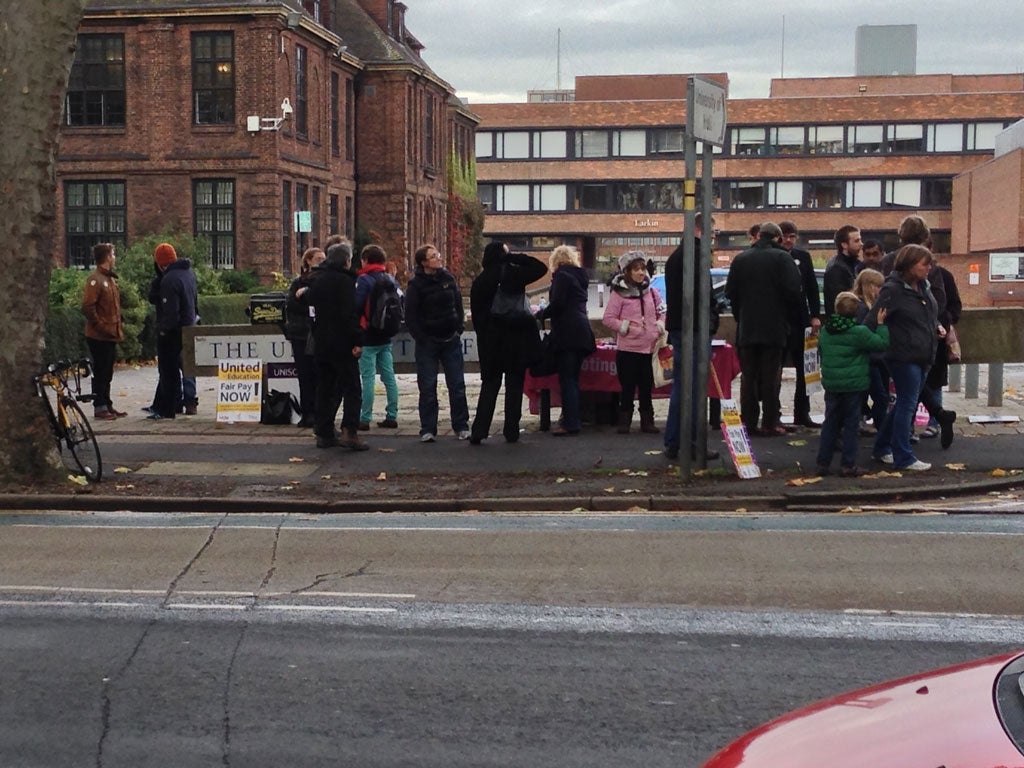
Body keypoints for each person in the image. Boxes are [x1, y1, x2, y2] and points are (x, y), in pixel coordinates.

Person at [867, 244, 955, 471]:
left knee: (906, 404)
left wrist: (936, 325)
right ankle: (903, 456)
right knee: (907, 404)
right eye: (924, 263)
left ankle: (882, 448)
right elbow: (871, 321)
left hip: (924, 353)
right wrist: (885, 338)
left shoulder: (923, 286)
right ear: (909, 264)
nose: (929, 268)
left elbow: (928, 314)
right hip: (902, 355)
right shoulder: (893, 290)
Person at [725, 222, 803, 436]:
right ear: (778, 238)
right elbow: (794, 291)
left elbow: (730, 292)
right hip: (774, 327)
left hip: (748, 327)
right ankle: (770, 422)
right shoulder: (783, 258)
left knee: (748, 377)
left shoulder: (741, 259)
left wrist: (741, 315)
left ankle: (749, 422)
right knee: (771, 377)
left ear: (759, 236)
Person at [469, 241, 548, 444]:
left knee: (490, 385)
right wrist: (513, 256)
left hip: (490, 342)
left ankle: (479, 430)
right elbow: (540, 267)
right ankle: (511, 430)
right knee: (514, 385)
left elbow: (477, 317)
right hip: (516, 340)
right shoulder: (514, 275)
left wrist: (485, 336)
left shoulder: (480, 281)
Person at [663, 213, 720, 460]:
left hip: (680, 326)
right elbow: (703, 295)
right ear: (702, 230)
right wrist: (712, 320)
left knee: (681, 385)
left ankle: (674, 440)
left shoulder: (677, 255)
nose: (714, 238)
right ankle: (694, 443)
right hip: (694, 328)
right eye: (714, 233)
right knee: (695, 388)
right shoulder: (696, 256)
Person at [815, 292, 890, 477]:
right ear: (857, 312)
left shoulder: (826, 331)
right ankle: (848, 464)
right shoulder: (859, 332)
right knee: (851, 424)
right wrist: (881, 325)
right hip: (854, 385)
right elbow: (881, 344)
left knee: (830, 422)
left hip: (832, 384)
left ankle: (823, 463)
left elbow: (821, 351)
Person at [303, 241, 368, 450]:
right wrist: (357, 339)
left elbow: (312, 311)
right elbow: (348, 314)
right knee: (352, 388)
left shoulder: (316, 280)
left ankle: (324, 431)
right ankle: (350, 431)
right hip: (342, 343)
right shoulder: (345, 281)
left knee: (325, 388)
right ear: (347, 260)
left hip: (322, 342)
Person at [404, 244, 470, 442]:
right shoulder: (416, 285)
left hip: (450, 338)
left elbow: (458, 304)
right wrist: (422, 337)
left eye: (438, 255)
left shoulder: (448, 279)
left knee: (457, 385)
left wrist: (459, 326)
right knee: (427, 386)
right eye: (433, 256)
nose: (438, 258)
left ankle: (461, 426)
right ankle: (428, 428)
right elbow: (411, 316)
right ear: (424, 262)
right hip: (428, 342)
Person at [536, 245, 595, 436]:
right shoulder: (580, 277)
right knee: (574, 379)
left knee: (567, 380)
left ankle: (571, 423)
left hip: (567, 333)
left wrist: (541, 314)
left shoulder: (562, 276)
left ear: (557, 261)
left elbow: (558, 304)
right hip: (582, 331)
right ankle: (573, 419)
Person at [603, 251, 664, 434]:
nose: (640, 273)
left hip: (649, 349)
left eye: (642, 269)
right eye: (636, 269)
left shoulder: (652, 292)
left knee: (646, 387)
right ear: (627, 272)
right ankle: (625, 421)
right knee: (627, 387)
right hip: (628, 350)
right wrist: (626, 327)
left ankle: (647, 421)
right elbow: (608, 318)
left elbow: (663, 311)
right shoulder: (619, 294)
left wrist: (659, 325)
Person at [779, 220, 823, 428]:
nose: (788, 240)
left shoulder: (803, 257)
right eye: (784, 236)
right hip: (779, 320)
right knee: (775, 370)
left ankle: (802, 413)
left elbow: (813, 289)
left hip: (800, 320)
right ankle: (775, 414)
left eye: (791, 236)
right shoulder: (775, 257)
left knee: (804, 369)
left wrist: (815, 315)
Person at [354, 244, 401, 431]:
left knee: (368, 378)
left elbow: (357, 307)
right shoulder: (390, 279)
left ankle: (364, 418)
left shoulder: (364, 280)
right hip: (386, 336)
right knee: (389, 377)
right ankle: (392, 415)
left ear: (365, 260)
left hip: (368, 336)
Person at [150, 243, 198, 421]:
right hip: (188, 327)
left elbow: (171, 311)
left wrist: (164, 330)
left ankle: (168, 408)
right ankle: (183, 402)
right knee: (185, 367)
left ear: (160, 263)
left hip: (173, 333)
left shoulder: (169, 280)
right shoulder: (188, 274)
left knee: (168, 371)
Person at [81, 242, 125, 420]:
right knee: (100, 371)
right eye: (112, 254)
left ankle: (107, 403)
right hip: (99, 335)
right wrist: (100, 325)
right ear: (107, 257)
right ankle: (99, 406)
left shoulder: (109, 279)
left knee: (107, 371)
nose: (114, 257)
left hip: (110, 334)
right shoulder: (95, 279)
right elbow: (88, 307)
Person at [284, 246, 325, 428]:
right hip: (300, 334)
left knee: (318, 375)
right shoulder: (298, 282)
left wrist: (307, 298)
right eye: (318, 258)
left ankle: (319, 413)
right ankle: (307, 413)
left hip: (317, 334)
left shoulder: (323, 281)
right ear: (308, 261)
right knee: (304, 375)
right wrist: (307, 305)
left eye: (323, 258)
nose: (321, 261)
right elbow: (291, 305)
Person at [852, 268, 889, 432]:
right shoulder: (864, 309)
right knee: (880, 397)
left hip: (867, 360)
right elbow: (864, 336)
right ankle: (883, 429)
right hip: (869, 360)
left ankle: (863, 421)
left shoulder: (857, 306)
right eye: (878, 286)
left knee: (864, 395)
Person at [822, 225, 862, 318]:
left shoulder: (854, 263)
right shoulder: (837, 268)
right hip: (843, 322)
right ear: (844, 245)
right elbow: (840, 301)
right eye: (856, 241)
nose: (861, 244)